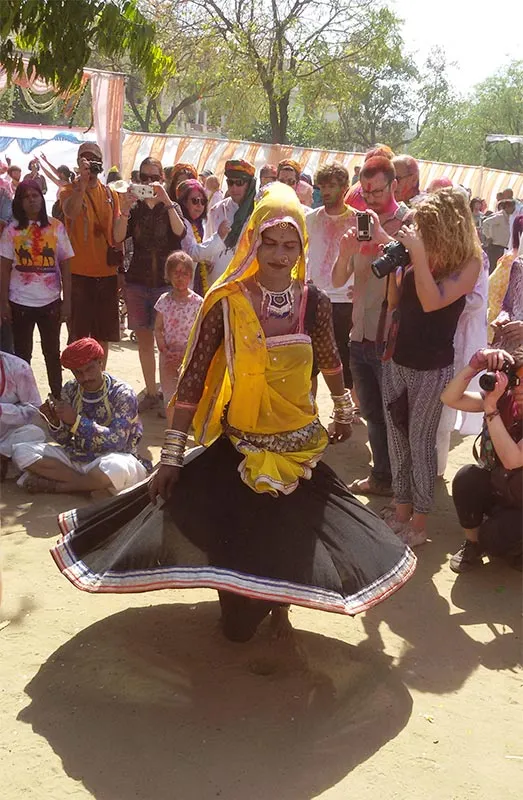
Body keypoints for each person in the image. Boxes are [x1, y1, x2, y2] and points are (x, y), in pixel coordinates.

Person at [49, 182, 416, 643]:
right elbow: (192, 380)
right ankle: (245, 604)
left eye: (290, 245)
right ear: (253, 241)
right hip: (240, 449)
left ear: (302, 246)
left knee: (293, 543)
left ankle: (281, 607)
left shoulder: (315, 303)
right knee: (237, 621)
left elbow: (329, 359)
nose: (280, 255)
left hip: (298, 452)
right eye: (270, 242)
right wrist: (171, 456)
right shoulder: (227, 303)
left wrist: (343, 408)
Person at [378, 188, 482, 546]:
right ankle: (401, 510)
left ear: (445, 224)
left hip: (431, 367)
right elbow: (395, 301)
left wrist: (419, 257)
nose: (419, 230)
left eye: (426, 224)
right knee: (397, 440)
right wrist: (396, 265)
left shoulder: (469, 262)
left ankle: (419, 523)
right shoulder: (417, 255)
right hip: (398, 358)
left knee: (420, 443)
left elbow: (432, 301)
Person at [332, 156, 412, 497]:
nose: (371, 198)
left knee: (398, 418)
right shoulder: (358, 221)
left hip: (391, 338)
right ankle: (382, 477)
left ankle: (404, 488)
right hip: (359, 334)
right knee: (372, 415)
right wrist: (344, 251)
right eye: (365, 192)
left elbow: (418, 275)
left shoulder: (409, 222)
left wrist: (383, 236)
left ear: (394, 185)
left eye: (377, 191)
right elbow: (338, 279)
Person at [12, 337, 151, 494]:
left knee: (116, 468)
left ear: (100, 363)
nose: (85, 377)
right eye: (78, 372)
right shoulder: (70, 389)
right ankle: (87, 484)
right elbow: (65, 439)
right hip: (77, 457)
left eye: (89, 369)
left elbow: (117, 442)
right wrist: (55, 423)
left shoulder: (122, 393)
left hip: (113, 458)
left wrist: (77, 421)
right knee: (22, 452)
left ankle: (61, 486)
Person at [114, 157, 186, 412]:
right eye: (144, 177)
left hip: (165, 284)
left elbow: (180, 232)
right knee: (144, 341)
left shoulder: (171, 206)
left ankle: (170, 397)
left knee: (168, 343)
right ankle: (152, 393)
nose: (149, 182)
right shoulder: (134, 208)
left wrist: (166, 201)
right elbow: (117, 236)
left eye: (154, 178)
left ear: (163, 179)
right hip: (137, 281)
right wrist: (124, 208)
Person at [441, 347, 522, 572]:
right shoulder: (505, 399)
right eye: (517, 380)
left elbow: (512, 460)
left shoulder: (495, 404)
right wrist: (474, 366)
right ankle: (473, 544)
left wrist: (490, 408)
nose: (520, 389)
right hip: (507, 488)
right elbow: (449, 398)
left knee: (496, 537)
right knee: (468, 478)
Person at [0, 180, 72, 399]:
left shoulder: (56, 227)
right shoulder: (12, 231)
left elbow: (66, 265)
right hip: (19, 302)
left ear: (42, 198)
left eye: (35, 195)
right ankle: (26, 400)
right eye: (26, 197)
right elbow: (4, 268)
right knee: (23, 356)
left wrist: (67, 301)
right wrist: (3, 303)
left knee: (52, 353)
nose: (31, 200)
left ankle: (57, 397)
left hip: (50, 302)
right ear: (19, 202)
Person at [60, 142, 122, 362]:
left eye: (94, 159)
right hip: (78, 274)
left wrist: (121, 271)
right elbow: (70, 212)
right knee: (78, 336)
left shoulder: (110, 194)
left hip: (107, 274)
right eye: (85, 159)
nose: (91, 163)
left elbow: (117, 234)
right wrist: (82, 185)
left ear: (101, 163)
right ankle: (79, 379)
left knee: (102, 337)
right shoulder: (69, 190)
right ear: (78, 163)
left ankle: (99, 378)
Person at [306, 162, 356, 393]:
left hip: (345, 301)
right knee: (309, 364)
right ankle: (309, 410)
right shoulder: (310, 218)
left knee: (345, 366)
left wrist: (362, 289)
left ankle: (345, 410)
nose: (326, 191)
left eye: (332, 186)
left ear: (345, 188)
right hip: (315, 298)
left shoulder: (359, 220)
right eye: (322, 186)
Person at [154, 251, 203, 416]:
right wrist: (164, 350)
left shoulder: (198, 303)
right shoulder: (163, 301)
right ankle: (171, 429)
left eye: (184, 273)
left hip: (190, 358)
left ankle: (187, 427)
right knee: (170, 398)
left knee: (189, 398)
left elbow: (200, 333)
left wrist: (186, 354)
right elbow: (158, 329)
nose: (180, 278)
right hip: (168, 358)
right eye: (176, 273)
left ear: (191, 276)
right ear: (168, 275)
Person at [205, 159, 256, 286]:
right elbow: (207, 244)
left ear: (249, 184)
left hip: (246, 283)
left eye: (239, 183)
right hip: (217, 282)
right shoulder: (216, 210)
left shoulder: (258, 212)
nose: (234, 188)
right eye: (230, 183)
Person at [175, 179, 230, 296]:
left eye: (203, 201)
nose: (199, 205)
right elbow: (192, 253)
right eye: (195, 201)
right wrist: (219, 236)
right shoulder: (182, 223)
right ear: (184, 202)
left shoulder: (197, 224)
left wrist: (203, 262)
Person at [0, 350, 46, 467]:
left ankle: (3, 453)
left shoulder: (19, 367)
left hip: (8, 435)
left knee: (35, 433)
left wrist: (2, 411)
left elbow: (35, 412)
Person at [482, 200, 513, 273]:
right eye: (512, 207)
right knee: (491, 267)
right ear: (507, 207)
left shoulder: (507, 217)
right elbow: (486, 223)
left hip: (500, 248)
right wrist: (488, 236)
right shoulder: (500, 216)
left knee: (495, 267)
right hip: (495, 247)